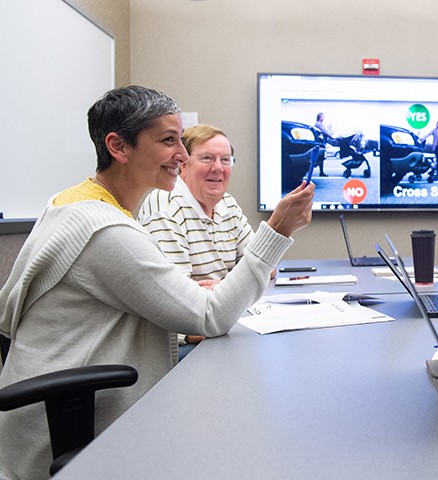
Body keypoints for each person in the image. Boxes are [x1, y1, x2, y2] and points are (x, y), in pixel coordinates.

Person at [0, 85, 315, 479]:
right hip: (70, 435)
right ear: (118, 146)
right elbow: (209, 316)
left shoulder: (77, 203)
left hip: (72, 412)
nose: (182, 156)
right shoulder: (105, 232)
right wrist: (278, 229)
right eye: (169, 141)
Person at [138, 124, 255, 360]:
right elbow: (177, 302)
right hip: (183, 342)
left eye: (225, 159)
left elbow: (265, 268)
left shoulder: (227, 203)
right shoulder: (164, 205)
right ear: (183, 165)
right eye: (207, 158)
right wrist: (234, 287)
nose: (218, 168)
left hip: (220, 322)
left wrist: (221, 289)